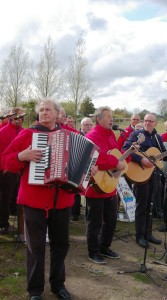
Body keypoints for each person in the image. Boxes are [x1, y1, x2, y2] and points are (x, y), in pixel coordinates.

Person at [1, 99, 97, 300]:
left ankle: (58, 285)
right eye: (41, 110)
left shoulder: (71, 136)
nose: (44, 113)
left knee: (61, 245)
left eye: (48, 110)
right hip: (34, 201)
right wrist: (21, 156)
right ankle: (35, 290)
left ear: (57, 114)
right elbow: (6, 162)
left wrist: (91, 169)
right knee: (35, 247)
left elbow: (88, 159)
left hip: (62, 201)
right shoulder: (28, 134)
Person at [122, 114, 167, 248]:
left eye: (150, 121)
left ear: (156, 123)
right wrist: (141, 160)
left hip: (154, 175)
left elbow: (163, 156)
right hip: (141, 175)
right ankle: (139, 235)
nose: (147, 123)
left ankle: (148, 233)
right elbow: (125, 150)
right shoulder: (136, 135)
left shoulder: (157, 138)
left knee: (150, 205)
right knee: (141, 205)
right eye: (145, 121)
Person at [85, 106, 126, 264]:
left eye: (112, 117)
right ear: (99, 119)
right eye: (108, 117)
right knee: (94, 222)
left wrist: (120, 160)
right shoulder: (91, 136)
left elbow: (115, 154)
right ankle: (93, 251)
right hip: (95, 187)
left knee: (111, 220)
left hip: (110, 186)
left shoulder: (111, 136)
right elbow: (98, 158)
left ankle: (104, 247)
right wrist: (115, 162)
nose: (112, 120)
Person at [0, 107, 25, 234]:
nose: (18, 119)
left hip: (21, 171)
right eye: (15, 117)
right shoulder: (2, 132)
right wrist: (4, 167)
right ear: (10, 117)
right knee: (5, 197)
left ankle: (19, 220)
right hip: (6, 171)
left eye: (21, 117)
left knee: (18, 196)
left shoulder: (24, 132)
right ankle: (3, 223)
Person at [70, 117, 93, 222]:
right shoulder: (77, 135)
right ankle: (75, 213)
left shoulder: (93, 136)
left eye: (90, 125)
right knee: (76, 191)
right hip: (77, 167)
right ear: (81, 126)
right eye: (86, 125)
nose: (88, 127)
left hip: (90, 167)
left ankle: (88, 214)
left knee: (89, 191)